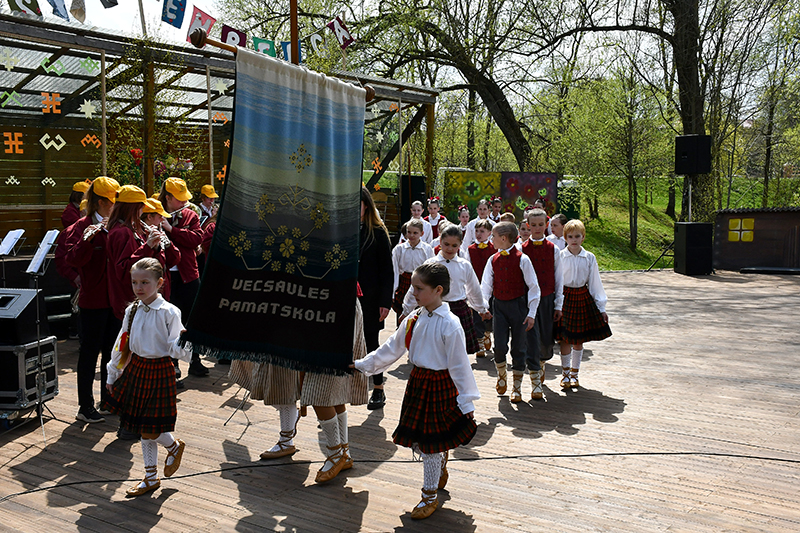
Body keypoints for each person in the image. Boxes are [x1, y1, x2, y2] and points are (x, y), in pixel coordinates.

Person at [353, 262, 479, 520]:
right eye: (413, 287)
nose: (413, 293)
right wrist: (363, 364)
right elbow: (392, 348)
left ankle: (429, 496)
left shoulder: (451, 324)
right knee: (422, 443)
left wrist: (467, 403)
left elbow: (460, 367)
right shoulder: (413, 318)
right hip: (418, 382)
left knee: (430, 444)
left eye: (419, 288)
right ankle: (439, 462)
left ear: (438, 290)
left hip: (440, 385)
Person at [104, 258, 191, 497]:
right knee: (144, 427)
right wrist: (113, 373)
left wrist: (185, 341)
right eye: (134, 282)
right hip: (137, 368)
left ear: (160, 282)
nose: (138, 287)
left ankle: (171, 450)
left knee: (149, 428)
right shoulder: (132, 310)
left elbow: (177, 350)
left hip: (160, 370)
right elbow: (122, 343)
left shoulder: (169, 312)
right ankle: (152, 475)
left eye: (145, 282)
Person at [64, 176, 121, 424]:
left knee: (111, 353)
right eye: (111, 201)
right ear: (99, 202)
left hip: (114, 299)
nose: (115, 205)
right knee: (89, 354)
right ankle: (84, 406)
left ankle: (107, 401)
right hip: (92, 300)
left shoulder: (118, 224)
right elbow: (72, 260)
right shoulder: (80, 226)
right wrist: (87, 239)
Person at [401, 224, 490, 355]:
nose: (450, 249)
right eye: (446, 244)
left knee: (456, 351)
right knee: (433, 349)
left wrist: (481, 309)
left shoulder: (464, 265)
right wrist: (407, 309)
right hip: (434, 309)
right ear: (440, 241)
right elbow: (416, 288)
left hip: (458, 310)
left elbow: (474, 290)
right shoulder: (430, 264)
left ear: (460, 244)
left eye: (454, 245)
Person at [480, 221, 540, 403]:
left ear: (504, 238)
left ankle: (517, 387)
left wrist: (531, 313)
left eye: (494, 236)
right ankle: (501, 376)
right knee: (499, 346)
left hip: (518, 307)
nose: (491, 239)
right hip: (499, 307)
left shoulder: (523, 259)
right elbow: (486, 286)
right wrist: (483, 307)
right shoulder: (493, 260)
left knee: (519, 347)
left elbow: (534, 287)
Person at [158, 177, 207, 377]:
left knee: (192, 318)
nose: (184, 202)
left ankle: (195, 360)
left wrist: (172, 230)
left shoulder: (190, 214)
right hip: (166, 276)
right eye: (179, 199)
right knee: (171, 321)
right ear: (167, 197)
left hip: (188, 274)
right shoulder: (155, 212)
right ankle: (173, 363)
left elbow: (197, 238)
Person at [555, 219, 612, 389]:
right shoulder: (560, 256)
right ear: (565, 238)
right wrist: (556, 303)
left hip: (581, 297)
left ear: (583, 237)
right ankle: (565, 374)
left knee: (578, 340)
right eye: (570, 236)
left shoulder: (589, 257)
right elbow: (556, 281)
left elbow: (595, 283)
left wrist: (601, 308)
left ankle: (575, 373)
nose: (574, 240)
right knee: (564, 339)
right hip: (564, 298)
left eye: (577, 236)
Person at [521, 208, 564, 400]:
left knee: (546, 338)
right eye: (533, 225)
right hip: (528, 300)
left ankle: (542, 364)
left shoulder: (553, 249)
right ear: (527, 226)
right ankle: (535, 378)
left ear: (546, 225)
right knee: (530, 337)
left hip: (547, 299)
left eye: (541, 225)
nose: (537, 228)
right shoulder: (521, 249)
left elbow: (559, 278)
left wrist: (558, 304)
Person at [358, 187, 394, 411]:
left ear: (367, 205)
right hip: (346, 298)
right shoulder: (342, 230)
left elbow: (387, 271)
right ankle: (337, 400)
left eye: (358, 204)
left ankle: (378, 388)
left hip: (370, 298)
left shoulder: (378, 232)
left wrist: (385, 301)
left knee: (371, 343)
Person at [391, 219, 433, 326]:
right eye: (409, 232)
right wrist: (393, 291)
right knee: (402, 318)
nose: (411, 235)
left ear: (421, 234)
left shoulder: (427, 249)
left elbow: (431, 270)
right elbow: (395, 271)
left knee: (420, 317)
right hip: (404, 283)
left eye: (415, 233)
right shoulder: (399, 249)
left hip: (421, 283)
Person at [141, 198, 181, 302]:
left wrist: (168, 245)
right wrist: (150, 246)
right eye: (160, 217)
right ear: (149, 217)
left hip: (162, 288)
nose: (162, 220)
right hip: (147, 290)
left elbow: (174, 260)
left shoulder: (159, 232)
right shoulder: (139, 235)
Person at [467, 219, 496, 357]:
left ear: (489, 233)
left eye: (482, 231)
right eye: (477, 231)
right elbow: (468, 268)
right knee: (477, 314)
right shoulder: (470, 249)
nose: (479, 234)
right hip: (476, 286)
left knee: (491, 313)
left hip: (492, 287)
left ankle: (487, 334)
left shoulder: (494, 248)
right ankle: (479, 342)